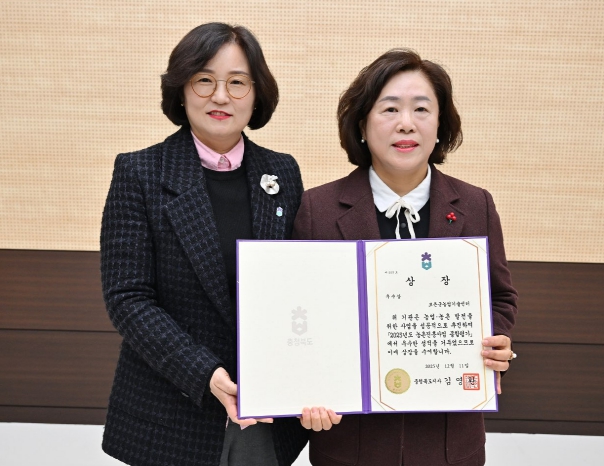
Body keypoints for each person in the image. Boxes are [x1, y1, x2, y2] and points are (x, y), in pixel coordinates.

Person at [293, 49, 518, 466]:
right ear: (362, 124)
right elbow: (299, 313)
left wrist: (496, 343)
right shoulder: (316, 210)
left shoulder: (476, 205)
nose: (406, 123)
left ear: (440, 125)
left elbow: (500, 298)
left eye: (421, 109)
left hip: (449, 443)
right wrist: (304, 387)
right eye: (390, 108)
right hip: (350, 443)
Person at [100, 23, 308, 466]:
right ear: (181, 89)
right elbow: (127, 298)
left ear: (257, 94)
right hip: (170, 412)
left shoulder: (283, 173)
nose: (220, 96)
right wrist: (204, 373)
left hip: (267, 415)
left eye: (237, 82)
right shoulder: (139, 173)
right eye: (204, 80)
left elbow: (298, 287)